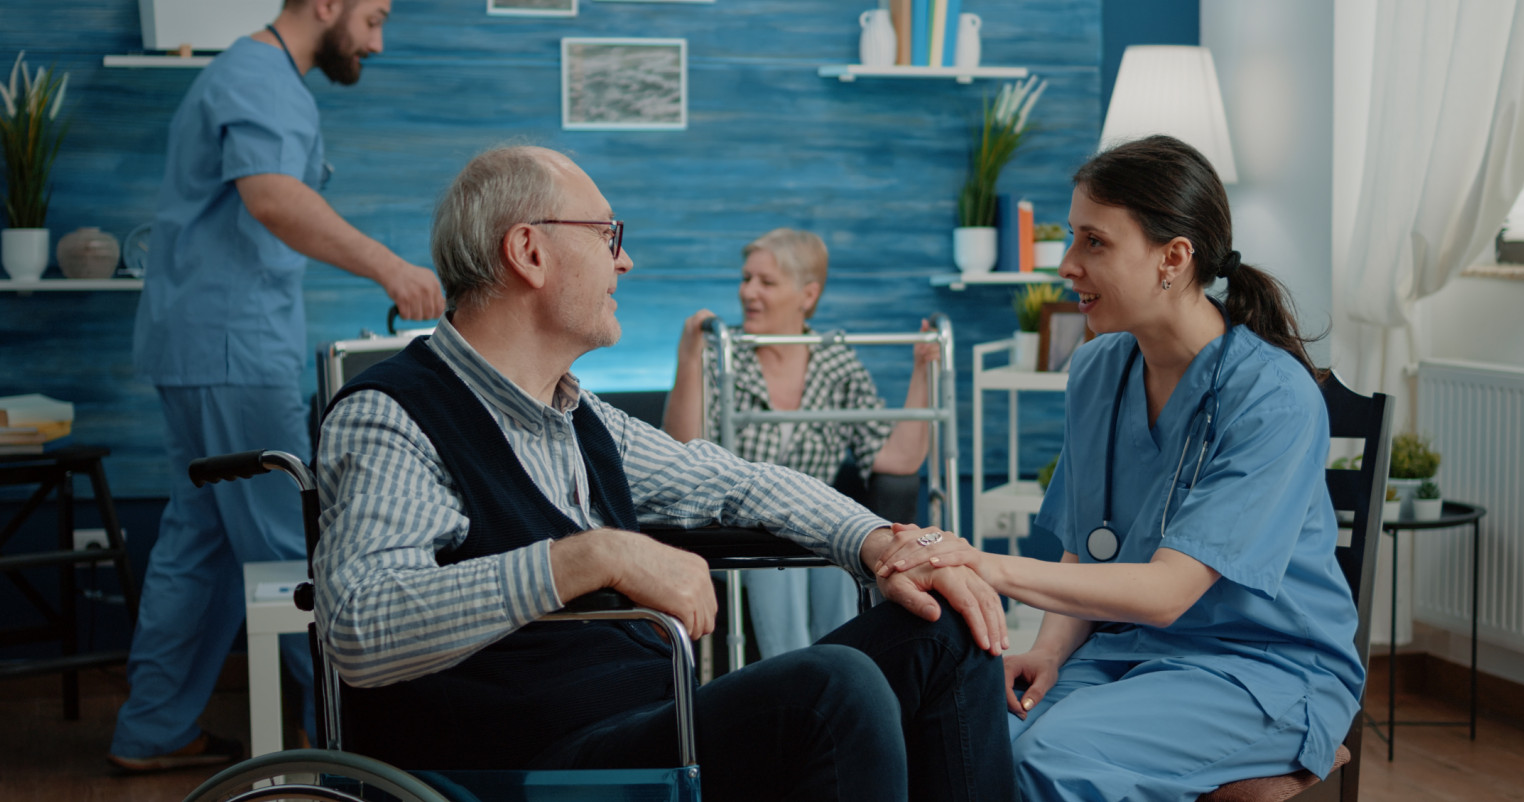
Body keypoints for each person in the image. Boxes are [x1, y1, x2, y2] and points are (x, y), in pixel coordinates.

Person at [312, 144, 1016, 802]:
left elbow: (736, 481)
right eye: (607, 237)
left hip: (650, 728)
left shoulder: (578, 414)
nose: (626, 263)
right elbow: (362, 630)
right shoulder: (392, 415)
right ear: (529, 251)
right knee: (832, 686)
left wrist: (884, 544)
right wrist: (593, 556)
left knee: (946, 627)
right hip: (524, 766)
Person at [874, 135, 1363, 801]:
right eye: (1072, 239)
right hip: (1127, 656)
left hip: (1262, 673)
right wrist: (1048, 650)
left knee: (1041, 760)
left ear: (1174, 258)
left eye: (1093, 243)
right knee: (965, 740)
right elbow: (1089, 544)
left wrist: (986, 565)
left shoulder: (1272, 398)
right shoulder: (1098, 368)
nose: (1067, 265)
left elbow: (1168, 592)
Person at [114, 0, 443, 772]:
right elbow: (273, 197)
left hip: (200, 345)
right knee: (286, 542)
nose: (375, 42)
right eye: (372, 21)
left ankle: (154, 732)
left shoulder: (248, 74)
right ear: (328, 3)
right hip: (231, 347)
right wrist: (391, 268)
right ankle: (348, 742)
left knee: (201, 541)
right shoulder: (261, 76)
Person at [661, 228, 940, 658]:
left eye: (766, 282)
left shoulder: (836, 360)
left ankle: (844, 679)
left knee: (839, 549)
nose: (748, 292)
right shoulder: (720, 354)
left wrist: (922, 372)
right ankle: (791, 687)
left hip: (812, 523)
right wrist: (689, 357)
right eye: (746, 278)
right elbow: (683, 451)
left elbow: (895, 458)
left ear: (807, 295)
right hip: (738, 526)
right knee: (782, 560)